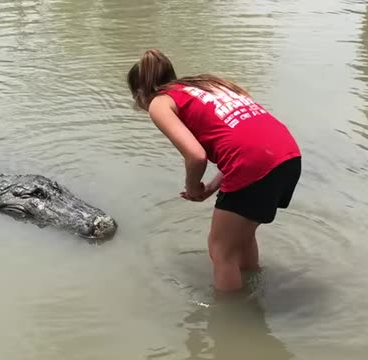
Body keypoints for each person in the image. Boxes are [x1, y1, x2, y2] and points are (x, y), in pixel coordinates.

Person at [127, 49, 301, 292]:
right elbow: (242, 136)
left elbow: (196, 156)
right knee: (241, 238)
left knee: (220, 250)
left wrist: (193, 187)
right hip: (287, 155)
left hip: (254, 163)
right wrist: (210, 187)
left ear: (140, 94)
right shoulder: (207, 84)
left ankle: (231, 321)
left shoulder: (159, 102)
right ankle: (252, 288)